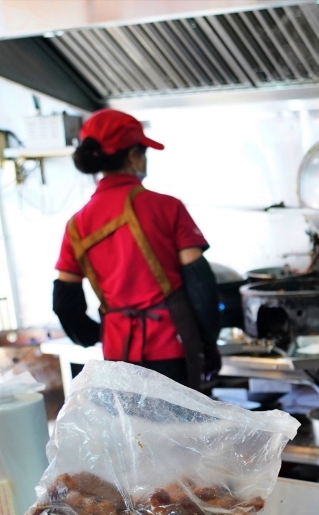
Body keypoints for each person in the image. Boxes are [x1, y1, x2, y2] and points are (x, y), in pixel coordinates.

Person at [52, 109, 221, 389]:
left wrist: (96, 333)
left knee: (134, 434)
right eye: (144, 153)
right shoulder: (166, 208)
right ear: (133, 156)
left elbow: (63, 302)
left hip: (117, 355)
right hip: (173, 348)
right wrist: (208, 343)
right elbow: (201, 287)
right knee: (180, 433)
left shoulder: (76, 225)